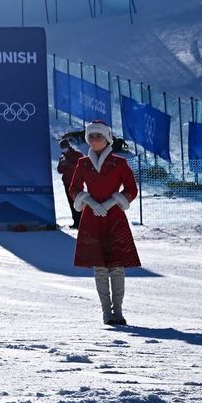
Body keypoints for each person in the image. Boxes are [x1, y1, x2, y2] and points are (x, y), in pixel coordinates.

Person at [71, 120, 140, 326]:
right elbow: (74, 189)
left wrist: (111, 202)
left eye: (98, 136)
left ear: (107, 138)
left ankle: (118, 312)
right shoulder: (82, 163)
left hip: (114, 218)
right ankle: (106, 313)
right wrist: (89, 201)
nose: (94, 140)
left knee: (117, 266)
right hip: (92, 218)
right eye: (90, 136)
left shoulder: (120, 163)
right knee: (99, 267)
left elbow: (131, 189)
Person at [57, 132, 86, 228]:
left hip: (77, 182)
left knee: (79, 202)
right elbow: (59, 170)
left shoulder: (77, 154)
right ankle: (76, 222)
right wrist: (62, 164)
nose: (63, 148)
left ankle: (83, 222)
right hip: (67, 183)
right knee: (71, 203)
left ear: (68, 146)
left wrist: (68, 163)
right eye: (62, 147)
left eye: (65, 146)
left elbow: (80, 166)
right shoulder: (62, 157)